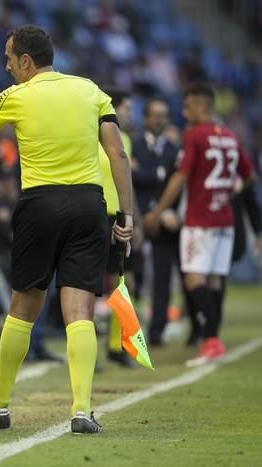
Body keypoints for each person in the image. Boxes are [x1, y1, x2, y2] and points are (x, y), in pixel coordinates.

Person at [0, 25, 133, 434]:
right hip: (89, 206)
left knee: (23, 307)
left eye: (8, 59)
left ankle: (0, 405)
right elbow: (118, 153)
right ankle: (82, 410)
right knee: (79, 311)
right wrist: (125, 215)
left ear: (26, 61)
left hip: (40, 204)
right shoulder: (91, 90)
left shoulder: (17, 96)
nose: (5, 66)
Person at [144, 83, 254, 367]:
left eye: (188, 106)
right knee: (214, 281)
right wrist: (228, 189)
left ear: (201, 106)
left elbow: (180, 178)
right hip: (224, 219)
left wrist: (157, 211)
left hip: (199, 219)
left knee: (193, 279)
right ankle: (213, 340)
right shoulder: (229, 136)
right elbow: (248, 175)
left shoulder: (195, 135)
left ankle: (211, 340)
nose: (184, 111)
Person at [131, 98, 180, 346]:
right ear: (146, 118)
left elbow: (176, 184)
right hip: (137, 218)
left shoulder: (173, 149)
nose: (160, 120)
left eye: (164, 115)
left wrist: (143, 173)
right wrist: (160, 174)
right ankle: (127, 332)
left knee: (162, 278)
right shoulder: (134, 146)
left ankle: (157, 333)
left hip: (164, 220)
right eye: (155, 115)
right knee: (131, 277)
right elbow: (130, 176)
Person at [99, 87, 138, 367]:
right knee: (86, 286)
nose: (129, 113)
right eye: (126, 107)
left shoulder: (124, 138)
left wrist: (130, 214)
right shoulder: (90, 135)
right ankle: (85, 349)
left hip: (119, 215)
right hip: (93, 212)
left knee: (123, 282)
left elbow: (125, 182)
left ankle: (117, 346)